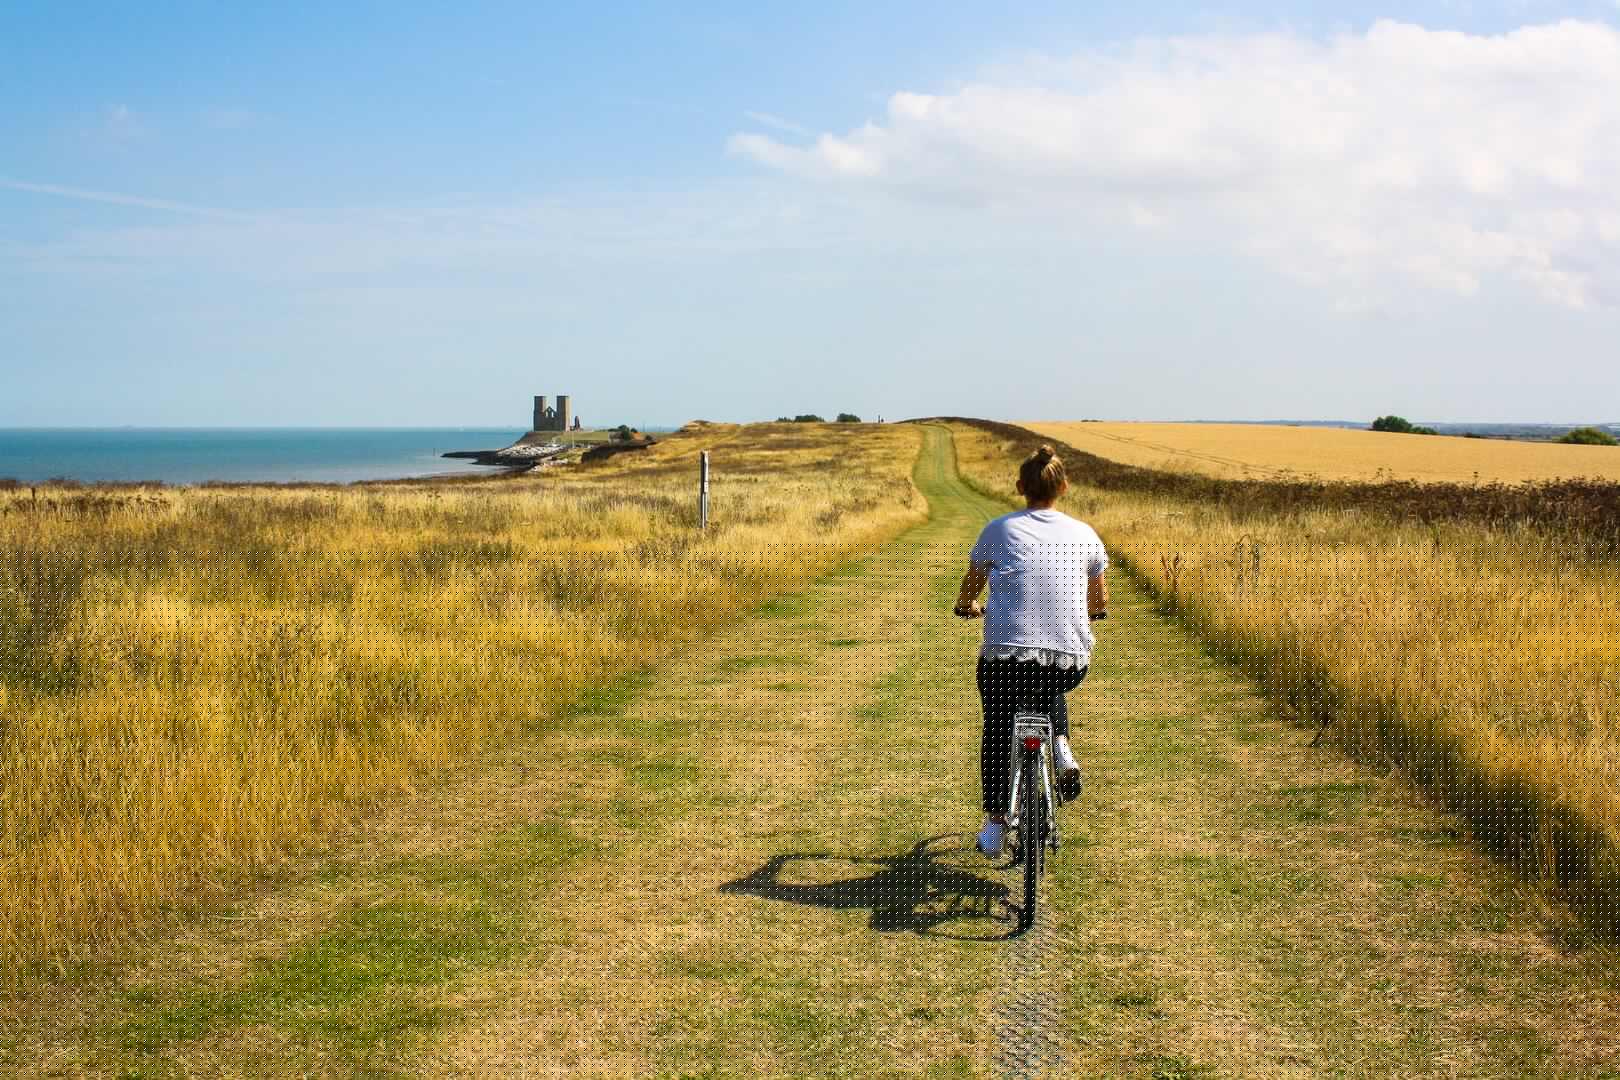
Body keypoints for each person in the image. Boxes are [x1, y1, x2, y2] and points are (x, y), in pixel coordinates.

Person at [954, 444, 1108, 858]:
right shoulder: (1085, 534)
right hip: (1069, 662)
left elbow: (973, 583)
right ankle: (1059, 745)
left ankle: (994, 824)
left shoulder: (999, 530)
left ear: (1020, 486)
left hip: (1005, 656)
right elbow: (1098, 602)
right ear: (1064, 486)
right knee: (1046, 672)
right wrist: (1089, 614)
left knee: (998, 727)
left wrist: (967, 605)